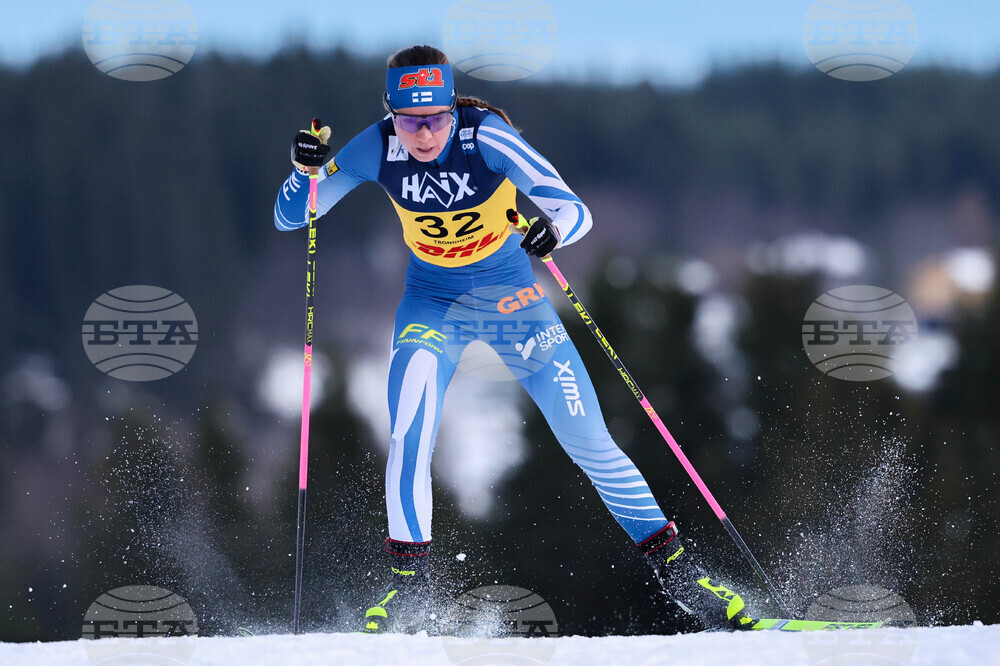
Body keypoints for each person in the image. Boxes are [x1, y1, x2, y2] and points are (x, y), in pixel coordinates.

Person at [274, 44, 752, 633]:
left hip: (512, 304)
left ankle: (681, 576)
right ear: (390, 114)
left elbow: (574, 211)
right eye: (409, 120)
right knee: (409, 431)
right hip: (434, 305)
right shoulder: (376, 146)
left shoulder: (489, 139)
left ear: (453, 109)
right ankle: (410, 589)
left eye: (435, 119)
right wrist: (306, 171)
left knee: (588, 438)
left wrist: (554, 231)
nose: (423, 135)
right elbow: (295, 216)